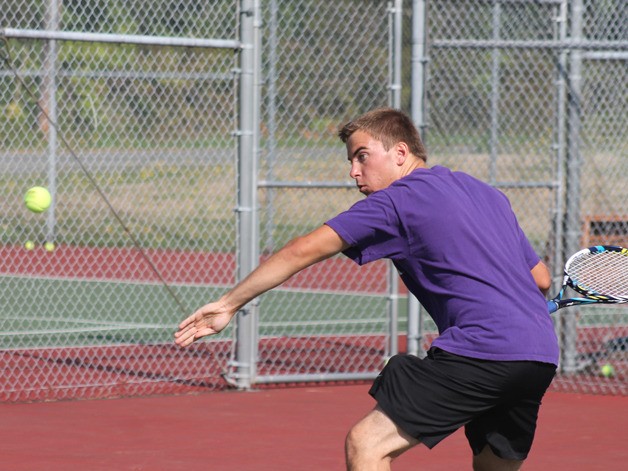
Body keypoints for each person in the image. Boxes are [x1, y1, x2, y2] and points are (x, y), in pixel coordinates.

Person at [175, 107, 559, 470]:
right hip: (539, 354)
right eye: (350, 161)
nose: (354, 172)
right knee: (493, 464)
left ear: (400, 152)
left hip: (483, 349)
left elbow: (302, 250)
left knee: (368, 444)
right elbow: (540, 280)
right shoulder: (486, 193)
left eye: (362, 156)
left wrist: (229, 303)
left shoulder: (397, 201)